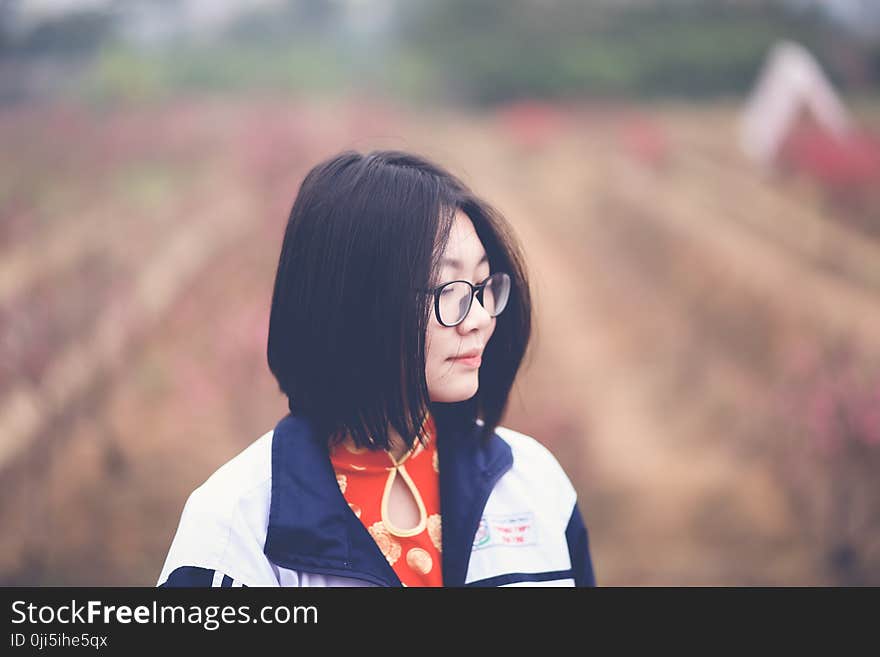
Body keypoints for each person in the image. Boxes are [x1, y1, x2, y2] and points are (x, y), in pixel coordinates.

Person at [156, 150, 596, 587]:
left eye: (482, 286)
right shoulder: (237, 527)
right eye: (448, 289)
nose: (479, 317)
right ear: (352, 304)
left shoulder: (535, 484)